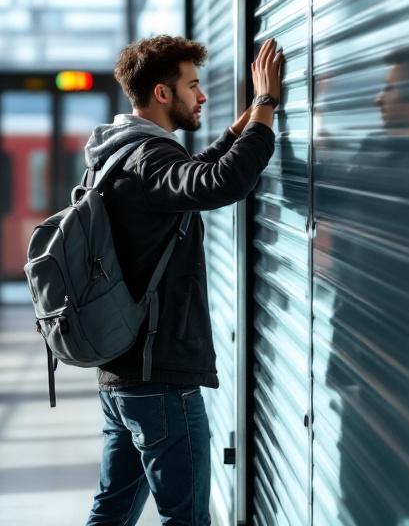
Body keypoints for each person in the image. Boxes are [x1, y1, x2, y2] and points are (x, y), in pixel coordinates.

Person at [83, 34, 284, 526]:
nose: (203, 96)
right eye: (193, 85)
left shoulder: (121, 155)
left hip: (124, 377)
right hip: (158, 381)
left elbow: (188, 177)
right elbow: (219, 184)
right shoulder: (149, 158)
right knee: (187, 517)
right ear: (161, 94)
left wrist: (240, 130)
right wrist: (265, 104)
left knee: (111, 512)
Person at [323, 44, 409, 526]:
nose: (379, 100)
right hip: (365, 363)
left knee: (388, 500)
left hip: (405, 372)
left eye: (392, 88)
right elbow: (326, 196)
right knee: (373, 498)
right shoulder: (380, 150)